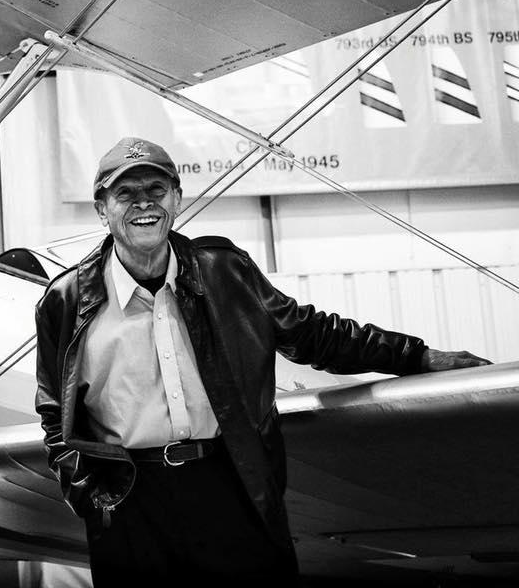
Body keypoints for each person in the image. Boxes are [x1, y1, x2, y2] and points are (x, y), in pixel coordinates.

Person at [34, 136, 490, 585]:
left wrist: (417, 356)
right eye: (125, 193)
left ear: (176, 197)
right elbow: (56, 415)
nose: (143, 204)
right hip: (131, 498)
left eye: (156, 190)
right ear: (101, 208)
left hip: (229, 485)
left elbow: (313, 334)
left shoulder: (225, 270)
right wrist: (93, 499)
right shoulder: (66, 300)